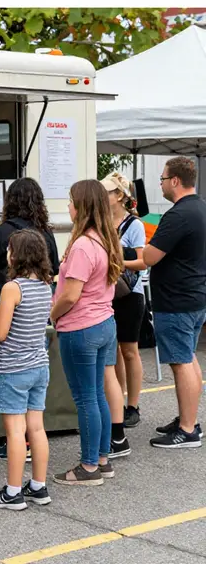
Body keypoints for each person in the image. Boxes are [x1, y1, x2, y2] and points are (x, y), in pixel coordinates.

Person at [50, 180, 123, 485]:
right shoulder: (106, 239)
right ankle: (102, 459)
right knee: (97, 395)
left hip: (81, 327)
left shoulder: (82, 245)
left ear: (81, 207)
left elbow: (70, 295)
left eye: (70, 202)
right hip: (104, 323)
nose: (67, 207)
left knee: (85, 399)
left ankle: (89, 465)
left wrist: (52, 316)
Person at [0, 178, 59, 463]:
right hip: (38, 313)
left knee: (5, 365)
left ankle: (15, 441)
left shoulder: (3, 232)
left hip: (1, 304)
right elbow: (56, 269)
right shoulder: (47, 233)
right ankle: (28, 444)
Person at [0, 229, 53, 510]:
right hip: (39, 365)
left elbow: (0, 332)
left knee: (14, 431)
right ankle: (38, 485)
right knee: (36, 428)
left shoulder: (13, 288)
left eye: (10, 250)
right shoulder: (45, 286)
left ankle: (12, 492)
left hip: (14, 368)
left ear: (17, 255)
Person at [143, 156, 206, 449]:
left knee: (182, 362)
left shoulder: (178, 214)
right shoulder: (201, 208)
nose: (161, 184)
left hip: (177, 300)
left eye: (163, 179)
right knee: (188, 359)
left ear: (175, 181)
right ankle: (188, 418)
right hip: (193, 296)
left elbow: (150, 256)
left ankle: (187, 429)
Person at [101, 173, 146, 444]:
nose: (103, 196)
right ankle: (118, 400)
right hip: (109, 293)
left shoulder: (135, 225)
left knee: (129, 349)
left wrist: (117, 262)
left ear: (119, 195)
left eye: (107, 192)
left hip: (130, 295)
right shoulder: (104, 223)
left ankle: (133, 405)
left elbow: (143, 261)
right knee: (114, 349)